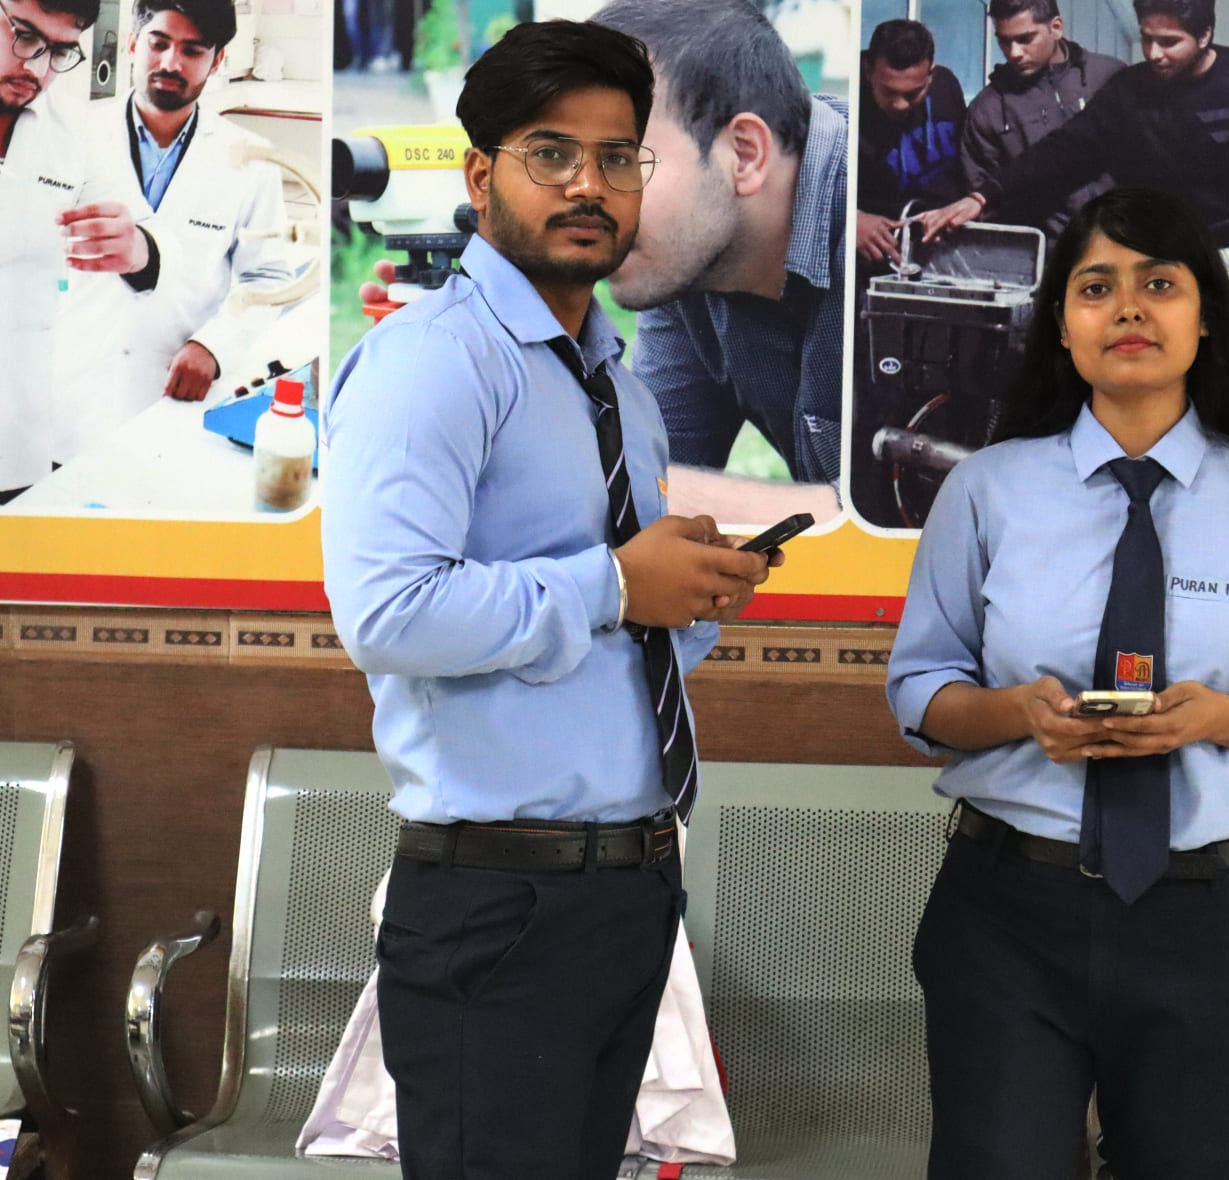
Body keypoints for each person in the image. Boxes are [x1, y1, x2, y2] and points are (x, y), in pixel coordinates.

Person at [320, 20, 772, 1178]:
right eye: (551, 153)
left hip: (632, 884)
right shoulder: (434, 360)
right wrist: (617, 582)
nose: (588, 185)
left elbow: (609, 640)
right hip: (496, 900)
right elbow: (387, 613)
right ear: (481, 176)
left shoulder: (616, 381)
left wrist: (687, 593)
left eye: (618, 157)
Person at [886, 186, 1229, 1179]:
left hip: (1215, 919)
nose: (1128, 310)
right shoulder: (986, 489)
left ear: (1205, 316)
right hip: (1010, 914)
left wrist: (1217, 718)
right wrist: (1017, 714)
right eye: (1096, 287)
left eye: (1159, 284)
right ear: (1062, 324)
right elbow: (923, 690)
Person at [590, 0, 846, 523]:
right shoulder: (688, 252)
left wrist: (634, 488)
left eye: (619, 160)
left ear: (745, 154)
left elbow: (933, 525)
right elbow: (653, 470)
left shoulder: (910, 223)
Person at [49, 0, 293, 467]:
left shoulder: (251, 160)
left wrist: (214, 346)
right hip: (67, 394)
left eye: (192, 50)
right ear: (133, 43)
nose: (170, 63)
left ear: (217, 61)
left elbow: (269, 280)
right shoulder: (69, 135)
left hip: (174, 393)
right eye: (158, 43)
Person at [918, 0, 1229, 239]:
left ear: (1205, 35)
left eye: (1169, 42)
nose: (1153, 53)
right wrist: (982, 197)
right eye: (1147, 38)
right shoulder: (1128, 89)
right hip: (1174, 254)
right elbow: (1063, 150)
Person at [0, 0, 158, 503]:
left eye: (61, 51)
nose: (37, 69)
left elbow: (147, 239)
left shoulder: (73, 134)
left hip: (17, 429)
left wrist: (135, 247)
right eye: (25, 35)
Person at [961, 0, 1122, 240]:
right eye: (1004, 41)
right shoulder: (986, 110)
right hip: (1046, 254)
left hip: (1126, 241)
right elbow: (985, 206)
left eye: (1025, 39)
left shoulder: (1110, 76)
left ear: (1056, 27)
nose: (1014, 53)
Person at [856, 18, 967, 266]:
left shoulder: (947, 87)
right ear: (867, 70)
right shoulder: (845, 102)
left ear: (931, 74)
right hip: (874, 253)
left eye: (913, 93)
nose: (900, 105)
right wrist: (850, 220)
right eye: (889, 92)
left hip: (945, 248)